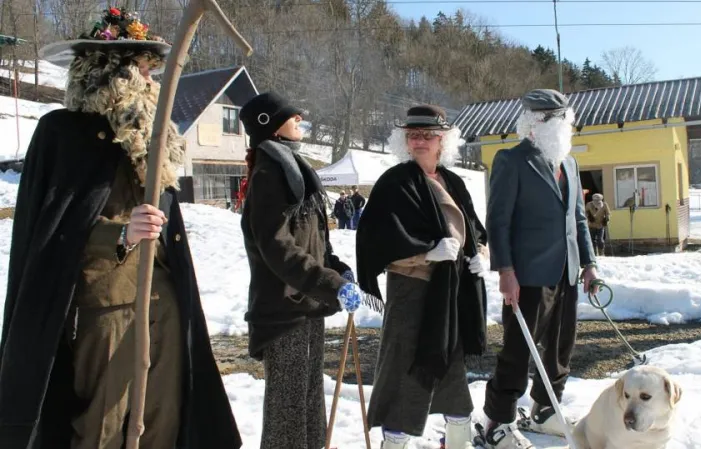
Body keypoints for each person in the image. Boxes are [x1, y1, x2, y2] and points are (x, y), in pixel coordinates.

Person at [0, 8, 241, 449]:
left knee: (164, 419)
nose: (151, 82)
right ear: (112, 71)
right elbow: (50, 235)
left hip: (164, 303)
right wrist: (120, 233)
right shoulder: (63, 132)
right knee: (104, 425)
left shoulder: (152, 138)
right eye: (144, 70)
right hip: (106, 307)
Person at [238, 91, 370, 449]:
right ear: (269, 124)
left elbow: (314, 242)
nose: (300, 117)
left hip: (306, 306)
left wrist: (339, 271)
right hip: (283, 312)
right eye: (291, 114)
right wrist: (329, 283)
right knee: (288, 414)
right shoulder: (270, 172)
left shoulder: (293, 169)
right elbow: (277, 247)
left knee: (309, 404)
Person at [356, 105, 490, 449]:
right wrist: (425, 253)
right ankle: (394, 443)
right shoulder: (395, 182)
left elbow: (474, 230)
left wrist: (480, 256)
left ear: (443, 140)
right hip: (410, 291)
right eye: (412, 135)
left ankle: (458, 441)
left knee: (452, 372)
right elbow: (376, 238)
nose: (419, 141)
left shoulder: (453, 181)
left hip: (451, 293)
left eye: (428, 135)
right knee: (405, 373)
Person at [480, 89, 598, 449]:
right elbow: (497, 222)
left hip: (566, 271)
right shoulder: (512, 160)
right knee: (519, 350)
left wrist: (590, 263)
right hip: (526, 275)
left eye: (563, 119)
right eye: (552, 118)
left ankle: (545, 409)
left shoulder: (571, 164)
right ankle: (496, 422)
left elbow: (577, 220)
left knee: (561, 347)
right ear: (533, 121)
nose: (560, 125)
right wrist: (505, 271)